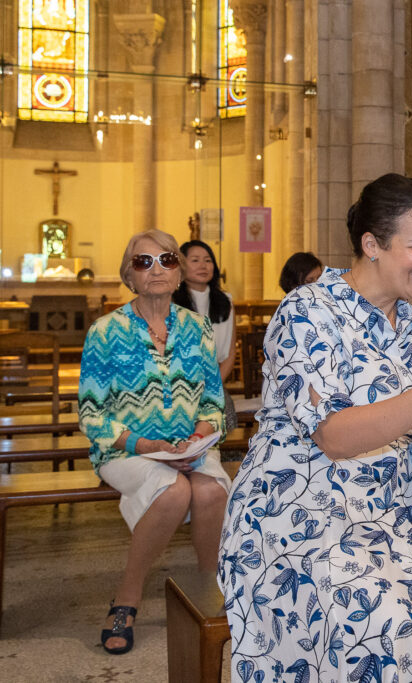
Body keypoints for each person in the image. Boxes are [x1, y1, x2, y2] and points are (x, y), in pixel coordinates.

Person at [219, 174, 412, 682]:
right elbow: (332, 436)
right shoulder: (307, 311)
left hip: (395, 503)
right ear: (372, 245)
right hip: (303, 506)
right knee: (380, 623)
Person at [79, 229, 229, 655]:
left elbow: (214, 402)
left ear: (179, 272)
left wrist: (198, 437)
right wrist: (148, 447)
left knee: (211, 490)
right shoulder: (105, 331)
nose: (156, 269)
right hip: (124, 448)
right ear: (129, 275)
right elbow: (91, 413)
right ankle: (127, 598)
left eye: (166, 260)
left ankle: (207, 592)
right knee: (171, 492)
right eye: (144, 262)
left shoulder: (198, 327)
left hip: (189, 446)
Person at [173, 240, 238, 429]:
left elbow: (230, 352)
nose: (203, 265)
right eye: (195, 260)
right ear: (182, 266)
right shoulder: (171, 301)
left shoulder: (226, 301)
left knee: (223, 416)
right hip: (177, 385)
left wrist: (213, 386)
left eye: (208, 260)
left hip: (213, 383)